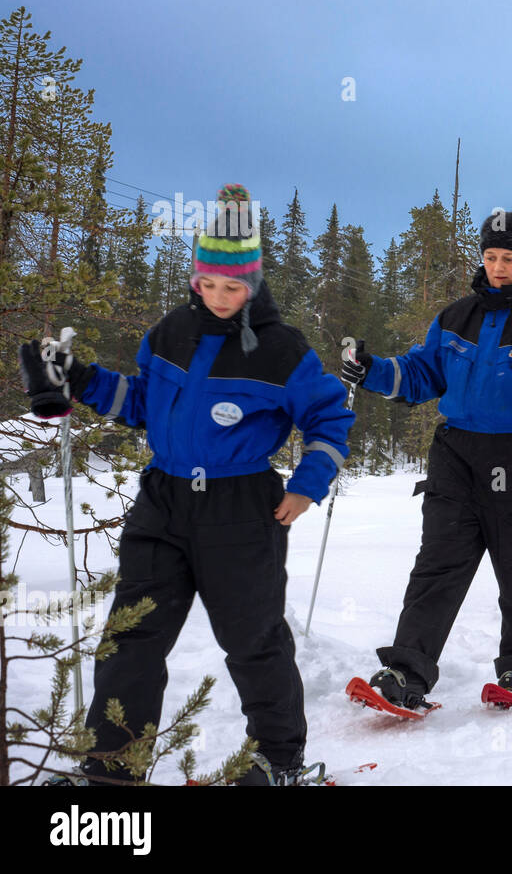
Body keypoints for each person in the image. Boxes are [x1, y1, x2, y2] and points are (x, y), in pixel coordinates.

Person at [20, 184, 355, 785]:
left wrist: (308, 483)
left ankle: (278, 760)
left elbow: (329, 417)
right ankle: (112, 769)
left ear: (252, 283)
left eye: (235, 287)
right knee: (130, 639)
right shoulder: (170, 331)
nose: (221, 297)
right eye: (210, 284)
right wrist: (81, 379)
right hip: (163, 501)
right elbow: (143, 402)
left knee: (253, 641)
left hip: (242, 507)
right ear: (196, 277)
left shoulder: (282, 349)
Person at [342, 210, 512, 704]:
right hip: (458, 455)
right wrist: (370, 369)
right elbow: (420, 375)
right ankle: (407, 674)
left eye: (509, 258)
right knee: (437, 564)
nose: (498, 267)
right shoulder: (456, 316)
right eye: (490, 256)